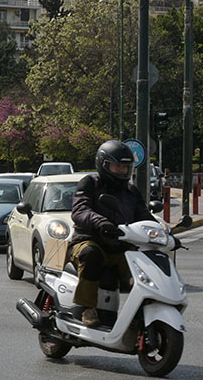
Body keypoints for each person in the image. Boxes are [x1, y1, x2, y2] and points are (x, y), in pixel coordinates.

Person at [68, 140, 154, 327]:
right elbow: (80, 210)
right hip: (88, 241)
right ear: (103, 164)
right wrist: (100, 222)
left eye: (125, 167)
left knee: (146, 269)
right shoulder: (90, 183)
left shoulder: (131, 191)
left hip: (121, 247)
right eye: (117, 167)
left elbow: (144, 215)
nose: (122, 171)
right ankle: (87, 309)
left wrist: (163, 231)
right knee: (92, 255)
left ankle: (142, 315)